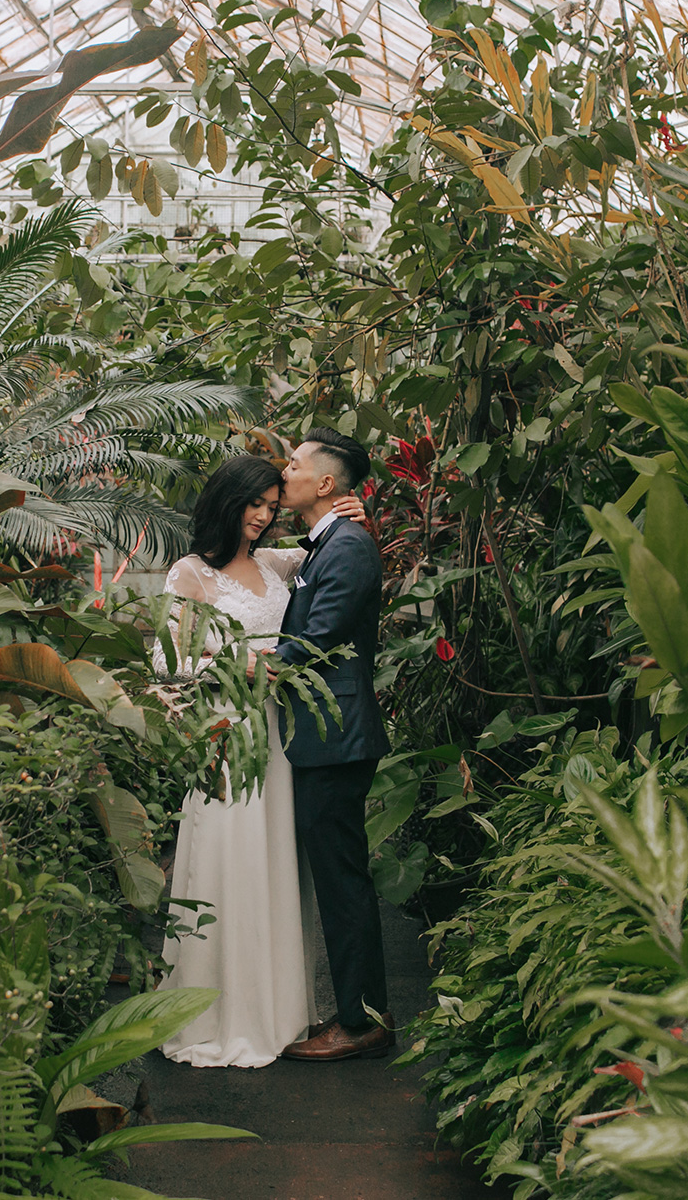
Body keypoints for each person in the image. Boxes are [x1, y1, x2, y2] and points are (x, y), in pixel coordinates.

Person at [156, 453, 366, 1067]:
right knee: (229, 862)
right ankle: (220, 1014)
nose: (264, 516)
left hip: (279, 736)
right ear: (228, 500)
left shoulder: (279, 563)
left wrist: (355, 509)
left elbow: (332, 548)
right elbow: (170, 661)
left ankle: (275, 1012)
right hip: (229, 733)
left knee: (275, 862)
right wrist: (233, 662)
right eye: (255, 504)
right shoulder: (190, 573)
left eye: (272, 506)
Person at [270, 428, 394, 1062]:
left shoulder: (347, 549)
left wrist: (253, 667)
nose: (282, 471)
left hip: (335, 736)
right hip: (324, 736)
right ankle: (356, 1011)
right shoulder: (326, 543)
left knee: (343, 882)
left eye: (293, 464)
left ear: (325, 483)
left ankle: (362, 1020)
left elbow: (316, 640)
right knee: (338, 876)